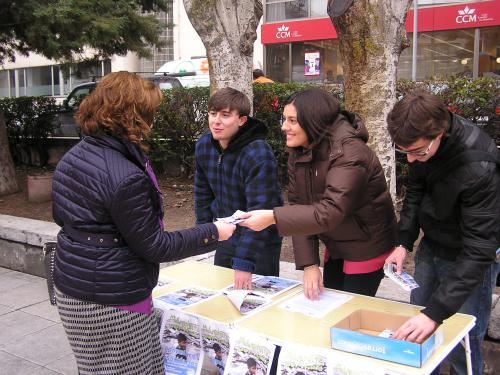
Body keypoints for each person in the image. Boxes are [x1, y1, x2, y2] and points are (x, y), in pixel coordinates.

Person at [51, 71, 235, 375]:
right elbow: (155, 246)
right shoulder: (125, 175)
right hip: (113, 296)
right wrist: (214, 231)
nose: (152, 120)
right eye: (149, 112)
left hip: (72, 284)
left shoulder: (74, 156)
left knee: (94, 367)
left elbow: (63, 218)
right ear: (132, 115)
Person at [240, 88, 397, 300]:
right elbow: (298, 208)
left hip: (366, 245)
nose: (284, 126)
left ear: (313, 120)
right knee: (328, 304)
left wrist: (272, 217)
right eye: (284, 119)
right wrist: (310, 264)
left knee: (348, 311)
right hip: (335, 241)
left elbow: (330, 211)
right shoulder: (301, 149)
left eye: (292, 120)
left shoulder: (349, 152)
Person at [384, 90, 499, 374]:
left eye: (418, 152)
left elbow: (479, 249)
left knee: (464, 340)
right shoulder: (421, 143)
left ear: (440, 133)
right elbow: (416, 191)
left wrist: (436, 313)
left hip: (468, 257)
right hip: (432, 246)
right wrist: (404, 242)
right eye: (404, 152)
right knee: (417, 326)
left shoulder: (479, 166)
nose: (410, 160)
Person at [195, 87, 283, 289]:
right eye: (212, 114)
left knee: (257, 303)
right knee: (222, 295)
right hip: (226, 233)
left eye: (225, 115)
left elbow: (262, 207)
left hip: (260, 240)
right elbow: (202, 194)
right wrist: (203, 233)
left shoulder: (258, 153)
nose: (216, 121)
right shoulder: (204, 146)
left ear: (241, 120)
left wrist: (245, 263)